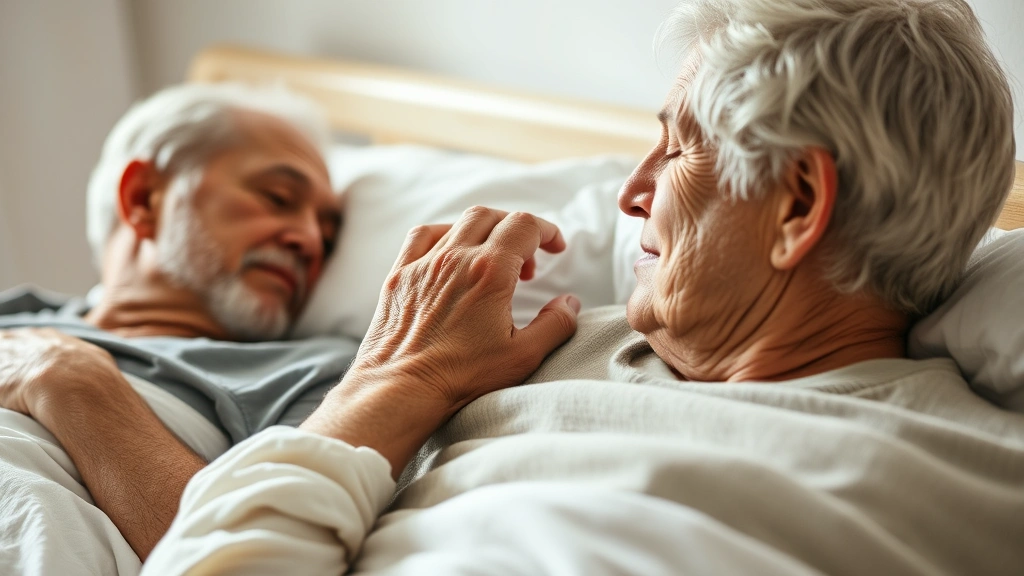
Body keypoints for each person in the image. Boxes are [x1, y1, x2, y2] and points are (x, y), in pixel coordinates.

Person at [145, 0, 1024, 574]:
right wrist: (395, 383)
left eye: (677, 150)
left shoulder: (983, 483)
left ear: (797, 204)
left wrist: (392, 382)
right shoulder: (512, 354)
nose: (631, 190)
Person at [0, 83, 346, 572]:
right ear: (143, 198)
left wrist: (68, 379)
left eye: (329, 238)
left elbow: (248, 556)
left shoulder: (311, 374)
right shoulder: (14, 316)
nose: (309, 240)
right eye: (278, 197)